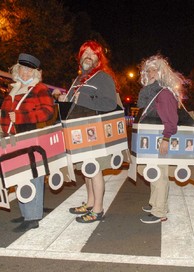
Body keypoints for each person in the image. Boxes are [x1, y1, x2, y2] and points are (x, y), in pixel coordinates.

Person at [0, 53, 54, 232]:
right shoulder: (14, 89)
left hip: (30, 138)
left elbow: (48, 112)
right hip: (11, 138)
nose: (25, 73)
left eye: (29, 70)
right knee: (18, 176)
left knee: (32, 176)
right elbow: (7, 113)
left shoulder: (39, 89)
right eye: (22, 69)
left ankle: (33, 217)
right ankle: (26, 213)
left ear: (35, 73)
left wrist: (22, 117)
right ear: (18, 70)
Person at [61, 41, 119, 223]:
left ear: (99, 59)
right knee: (86, 171)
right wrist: (66, 99)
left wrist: (84, 100)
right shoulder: (78, 80)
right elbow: (75, 103)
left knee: (94, 170)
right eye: (85, 52)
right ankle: (90, 202)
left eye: (93, 53)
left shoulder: (103, 78)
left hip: (94, 132)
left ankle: (98, 209)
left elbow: (110, 104)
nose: (88, 55)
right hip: (78, 133)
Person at [136, 54, 187, 224]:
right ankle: (155, 204)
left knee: (160, 175)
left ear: (161, 72)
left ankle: (160, 211)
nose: (150, 73)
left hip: (159, 140)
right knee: (154, 173)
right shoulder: (152, 92)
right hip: (152, 140)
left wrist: (166, 138)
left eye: (154, 70)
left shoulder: (164, 93)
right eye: (148, 70)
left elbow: (171, 120)